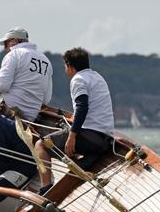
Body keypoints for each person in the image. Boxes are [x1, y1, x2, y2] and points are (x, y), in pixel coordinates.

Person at [35, 47, 114, 194]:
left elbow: (82, 107)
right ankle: (80, 163)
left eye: (65, 66)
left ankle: (45, 188)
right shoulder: (97, 76)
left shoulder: (78, 80)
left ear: (69, 66)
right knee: (67, 143)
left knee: (41, 145)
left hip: (91, 138)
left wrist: (72, 136)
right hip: (105, 139)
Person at [0, 27, 53, 121]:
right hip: (31, 119)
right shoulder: (46, 61)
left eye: (5, 43)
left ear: (15, 41)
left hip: (9, 114)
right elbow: (46, 99)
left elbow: (1, 86)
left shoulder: (14, 54)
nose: (4, 48)